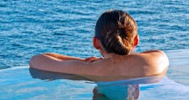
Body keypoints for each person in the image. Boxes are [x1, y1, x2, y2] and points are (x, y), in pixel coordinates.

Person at [29, 10, 169, 80]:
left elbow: (37, 60)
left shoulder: (88, 69)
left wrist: (84, 62)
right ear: (136, 41)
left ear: (96, 43)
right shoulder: (153, 62)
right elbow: (156, 52)